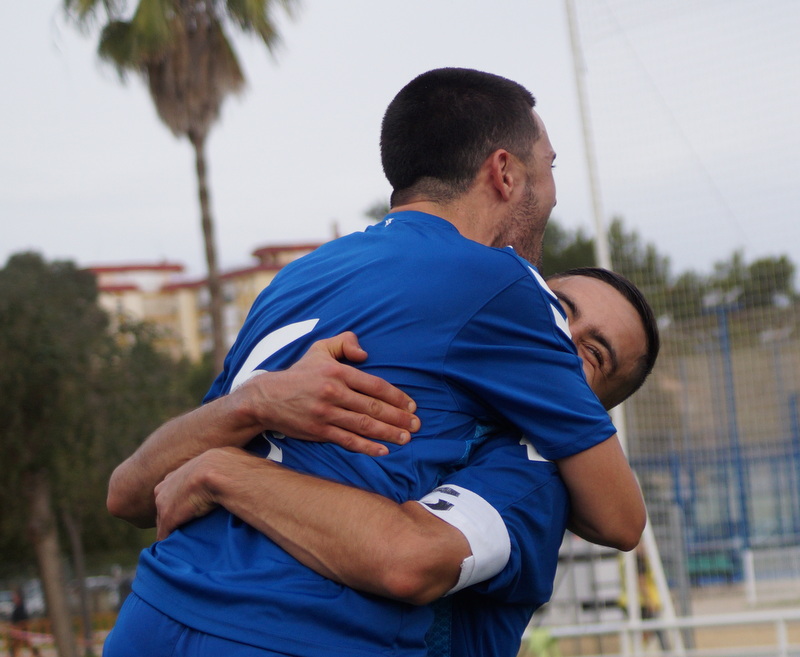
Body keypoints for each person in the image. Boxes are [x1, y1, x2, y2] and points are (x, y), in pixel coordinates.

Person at [104, 68, 652, 656]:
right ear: (505, 172)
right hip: (292, 631)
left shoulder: (302, 277)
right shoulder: (505, 285)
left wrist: (232, 447)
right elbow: (622, 522)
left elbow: (129, 495)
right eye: (549, 165)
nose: (562, 338)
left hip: (150, 614)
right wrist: (246, 420)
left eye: (592, 352)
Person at [8, 589, 40, 657]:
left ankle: (36, 653)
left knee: (27, 643)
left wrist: (18, 627)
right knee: (17, 644)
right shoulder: (17, 607)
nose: (13, 599)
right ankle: (12, 653)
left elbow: (24, 619)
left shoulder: (21, 608)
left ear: (19, 598)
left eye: (15, 597)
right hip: (18, 629)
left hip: (21, 629)